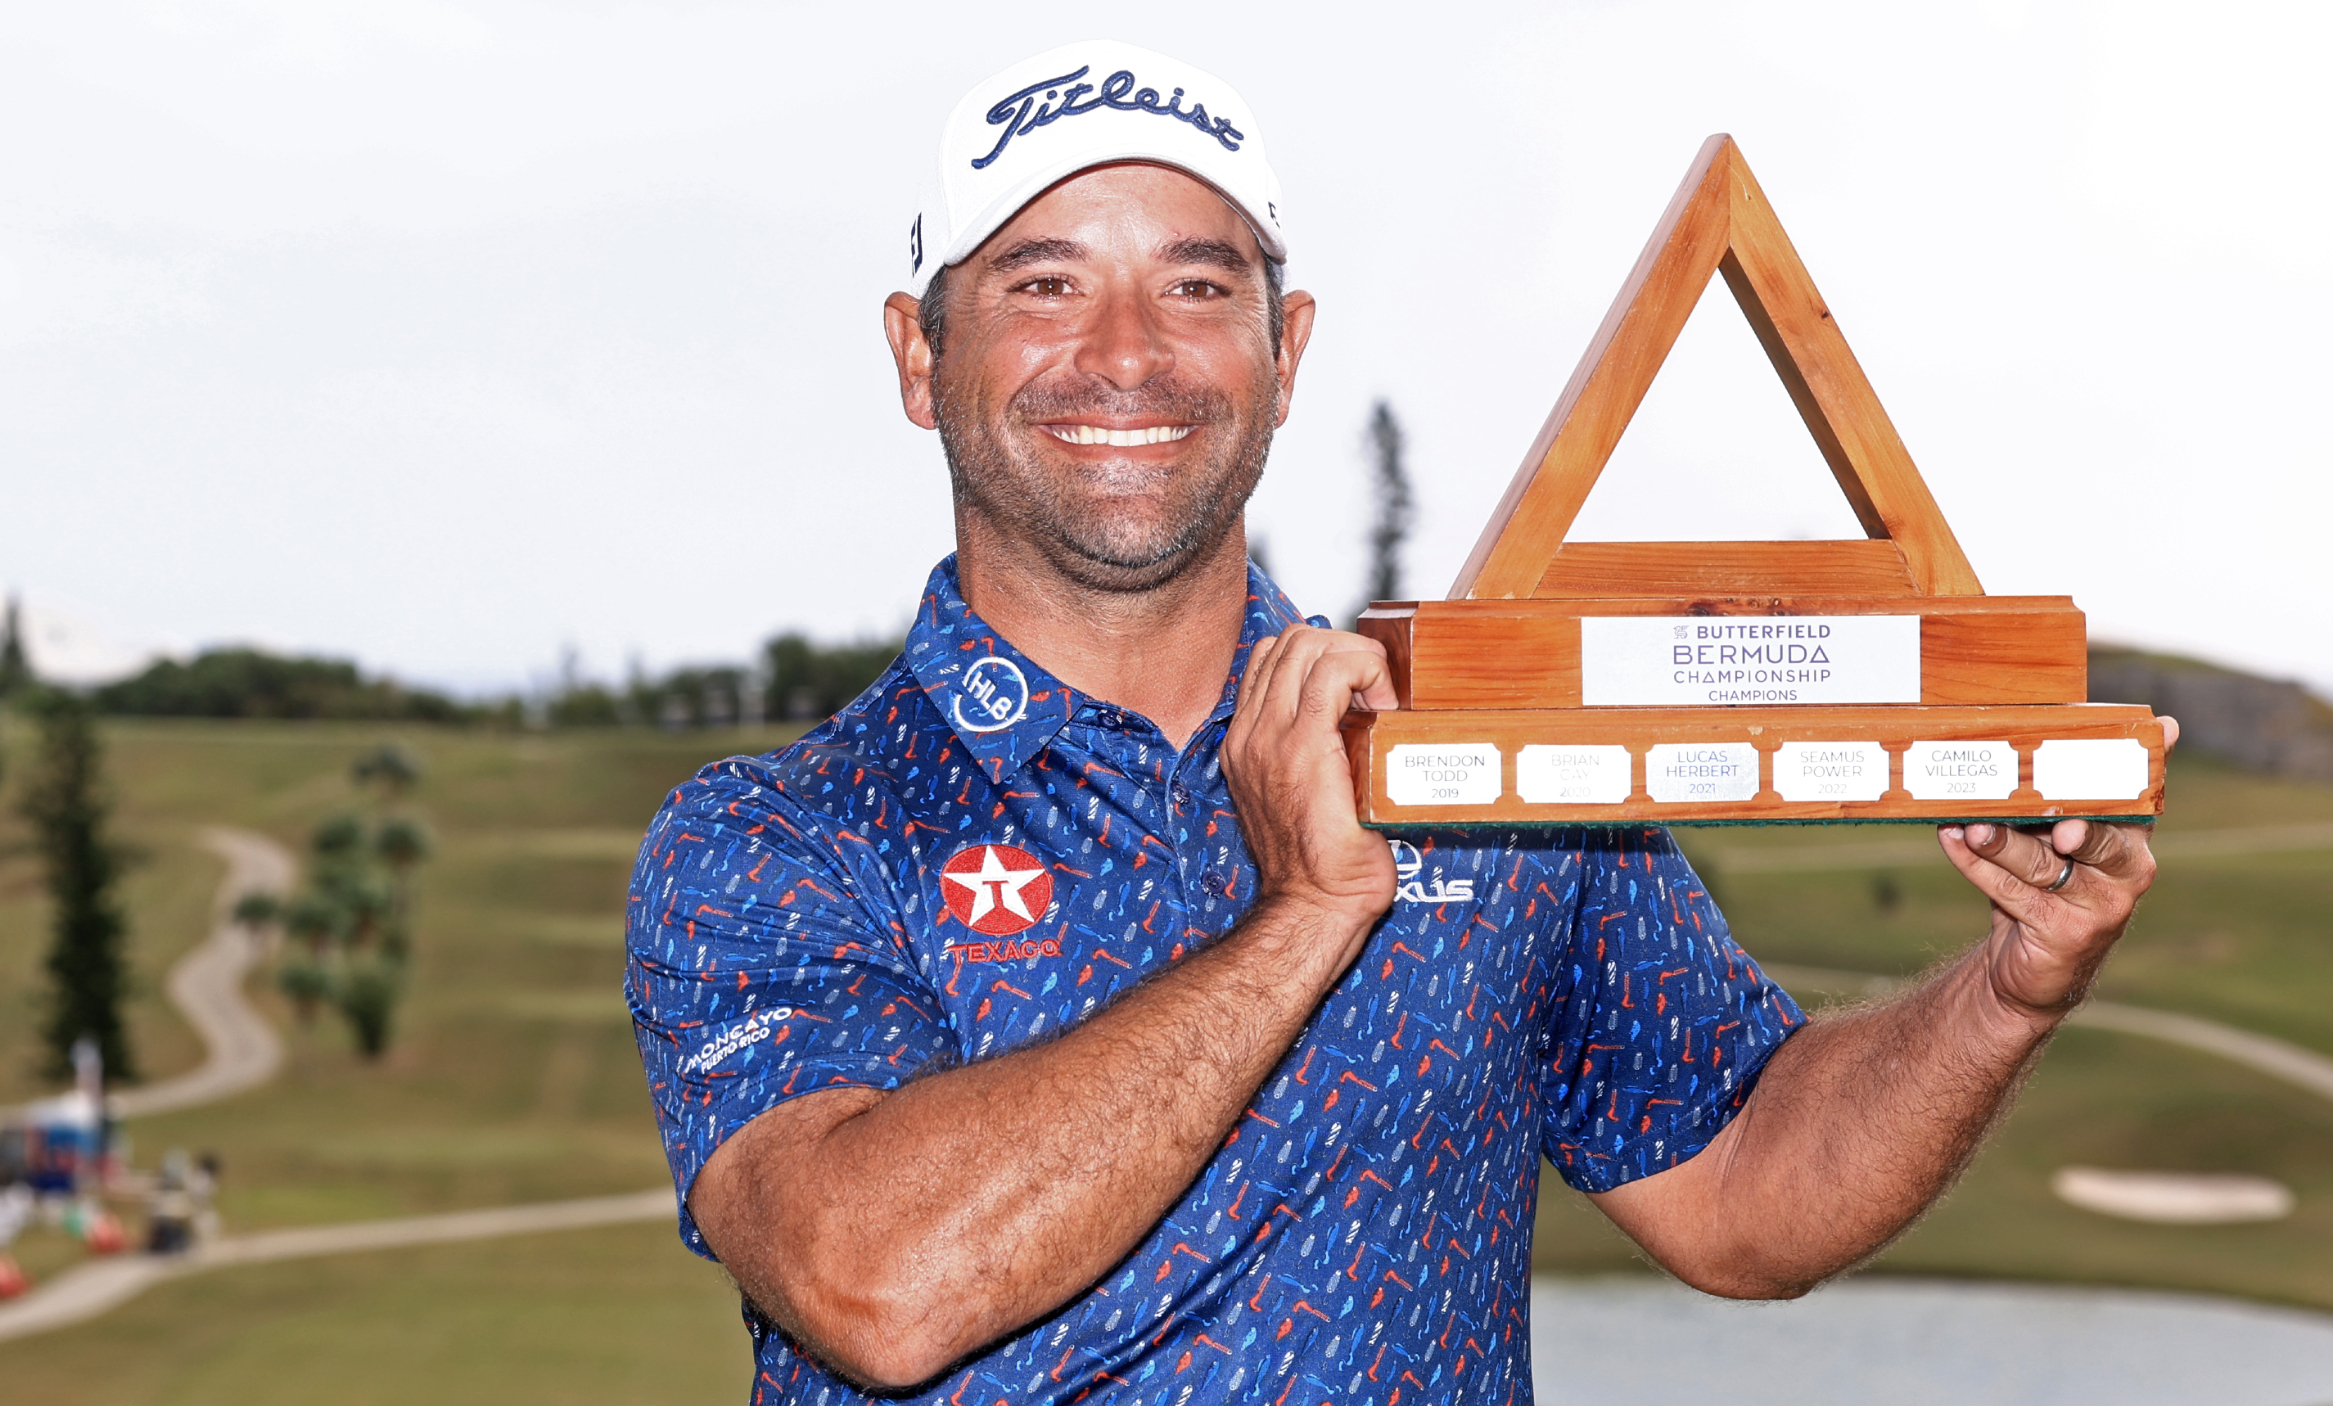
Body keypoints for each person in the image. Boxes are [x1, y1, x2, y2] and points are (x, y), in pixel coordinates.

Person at [625, 40, 2172, 1406]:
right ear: (919, 354)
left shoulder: (1478, 765)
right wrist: (1306, 912)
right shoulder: (776, 833)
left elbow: (1746, 1192)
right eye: (1043, 282)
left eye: (1197, 284)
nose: (1127, 352)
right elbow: (873, 1284)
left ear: (1284, 353)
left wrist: (2004, 995)